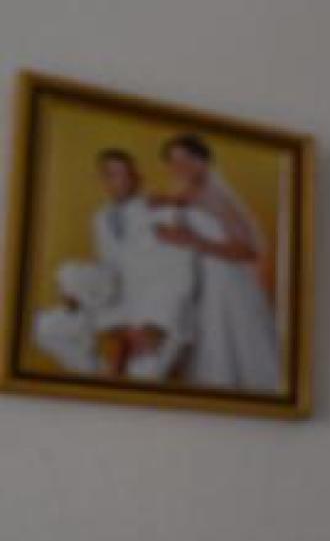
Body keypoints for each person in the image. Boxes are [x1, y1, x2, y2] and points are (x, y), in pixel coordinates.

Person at [152, 133, 283, 393]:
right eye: (174, 161)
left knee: (233, 350)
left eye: (187, 159)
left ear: (203, 161)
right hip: (197, 283)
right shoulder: (184, 195)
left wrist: (193, 240)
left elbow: (249, 250)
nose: (180, 167)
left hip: (227, 284)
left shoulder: (217, 196)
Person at [88, 147, 200, 380]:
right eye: (110, 174)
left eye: (125, 173)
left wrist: (155, 326)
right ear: (102, 179)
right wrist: (119, 326)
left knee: (144, 382)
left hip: (162, 322)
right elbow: (110, 273)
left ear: (137, 176)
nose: (118, 180)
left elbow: (184, 272)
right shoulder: (100, 219)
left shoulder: (165, 211)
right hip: (124, 323)